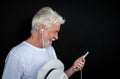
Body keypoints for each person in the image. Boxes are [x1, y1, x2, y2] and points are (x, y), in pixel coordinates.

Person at [2, 7, 85, 79]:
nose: (56, 37)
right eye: (54, 32)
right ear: (41, 28)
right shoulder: (17, 54)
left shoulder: (50, 49)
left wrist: (73, 69)